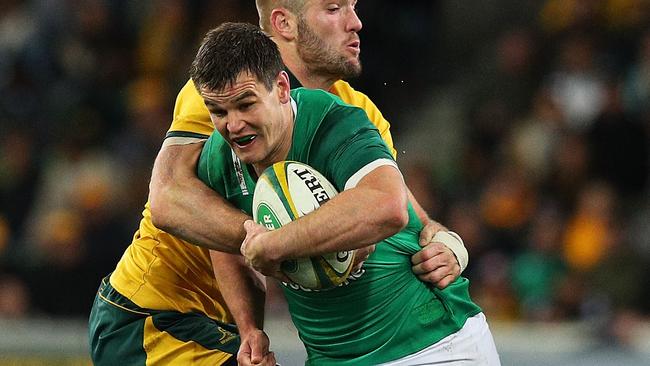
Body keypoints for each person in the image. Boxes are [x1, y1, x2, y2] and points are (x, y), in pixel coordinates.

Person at [89, 1, 467, 365]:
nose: (356, 23)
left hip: (229, 326)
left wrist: (447, 245)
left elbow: (400, 211)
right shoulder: (233, 87)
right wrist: (287, 244)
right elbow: (168, 198)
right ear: (284, 24)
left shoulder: (358, 112)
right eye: (334, 9)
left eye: (353, 7)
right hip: (156, 312)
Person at [193, 22, 500, 365]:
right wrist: (250, 329)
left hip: (433, 345)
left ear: (281, 88)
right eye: (219, 112)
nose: (233, 126)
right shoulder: (219, 159)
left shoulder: (335, 123)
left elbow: (388, 206)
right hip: (331, 358)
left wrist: (277, 244)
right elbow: (224, 245)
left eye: (246, 105)